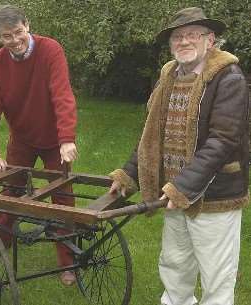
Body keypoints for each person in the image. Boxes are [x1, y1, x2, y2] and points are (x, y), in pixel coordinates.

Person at [109, 7, 249, 305]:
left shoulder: (229, 78)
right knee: (175, 266)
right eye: (177, 37)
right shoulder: (169, 75)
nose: (184, 42)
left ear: (210, 40)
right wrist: (129, 174)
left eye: (191, 35)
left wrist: (183, 187)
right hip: (174, 193)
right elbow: (151, 136)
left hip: (215, 196)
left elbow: (222, 141)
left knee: (216, 277)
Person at [0, 4, 78, 285]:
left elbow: (62, 94)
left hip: (54, 141)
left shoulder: (51, 50)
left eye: (18, 32)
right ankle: (1, 241)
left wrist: (66, 139)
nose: (15, 40)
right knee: (11, 190)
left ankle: (67, 262)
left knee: (62, 198)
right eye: (7, 36)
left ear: (28, 25)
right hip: (21, 138)